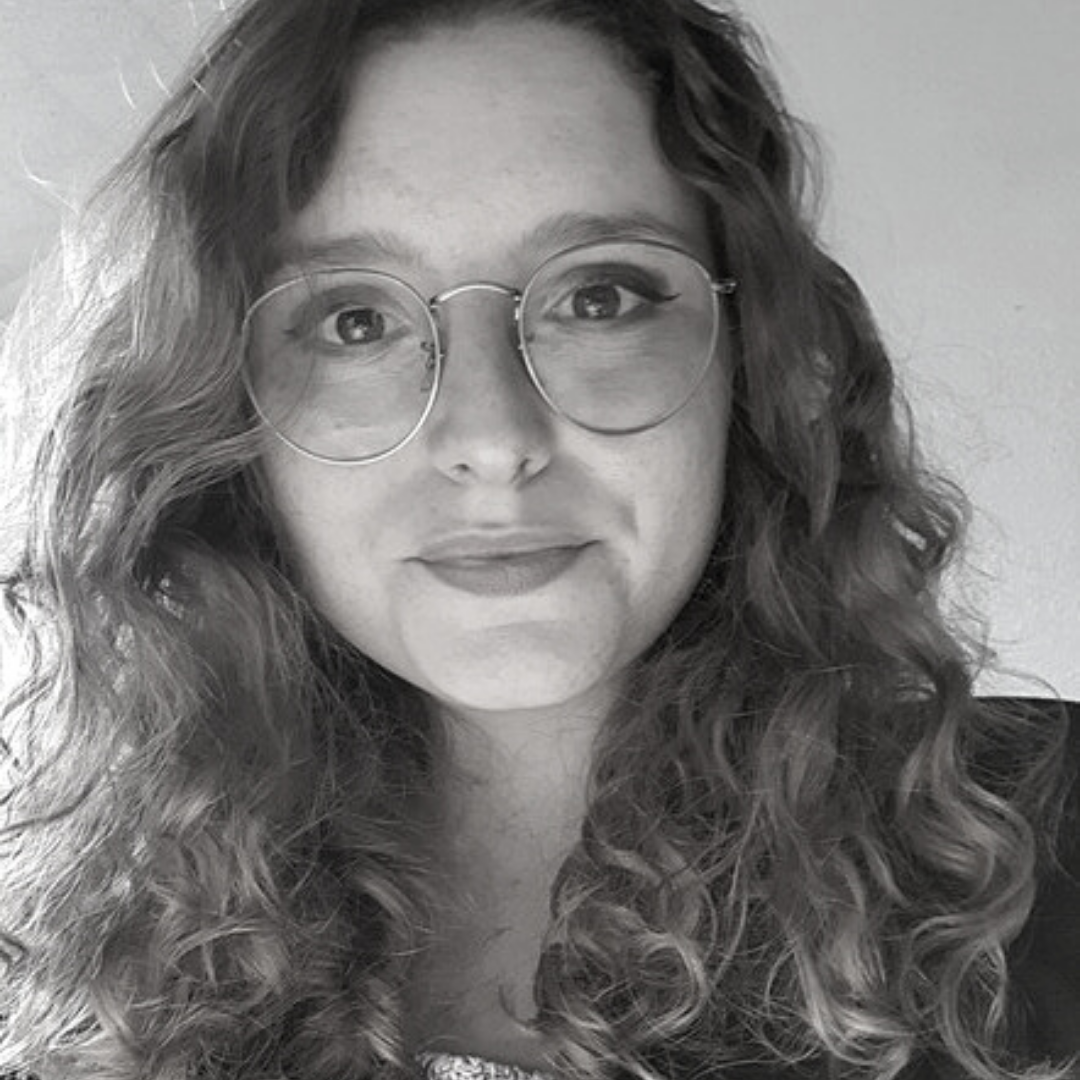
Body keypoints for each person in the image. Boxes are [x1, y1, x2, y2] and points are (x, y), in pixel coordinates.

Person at [0, 0, 1076, 1078]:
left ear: (746, 362)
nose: (492, 439)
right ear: (226, 418)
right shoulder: (66, 971)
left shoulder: (1043, 847)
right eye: (355, 321)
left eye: (598, 297)